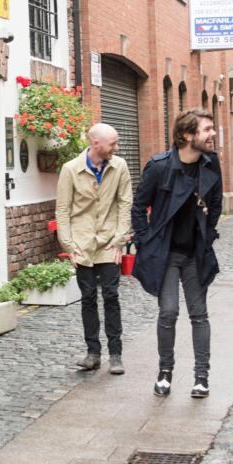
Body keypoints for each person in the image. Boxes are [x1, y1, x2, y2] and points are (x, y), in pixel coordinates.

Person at [131, 108, 223, 398]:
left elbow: (216, 204)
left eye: (212, 128)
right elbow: (137, 207)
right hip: (167, 254)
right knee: (168, 312)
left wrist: (206, 234)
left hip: (195, 252)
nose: (213, 134)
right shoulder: (159, 166)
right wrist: (147, 242)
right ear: (187, 135)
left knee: (199, 314)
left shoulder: (211, 164)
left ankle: (201, 377)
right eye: (207, 129)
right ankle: (165, 372)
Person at [56, 123, 133, 375]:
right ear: (96, 144)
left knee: (111, 296)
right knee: (88, 298)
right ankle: (92, 353)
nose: (117, 147)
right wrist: (69, 245)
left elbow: (125, 203)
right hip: (82, 245)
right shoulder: (70, 170)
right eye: (113, 143)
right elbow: (63, 210)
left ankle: (116, 354)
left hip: (109, 243)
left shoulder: (119, 166)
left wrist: (120, 240)